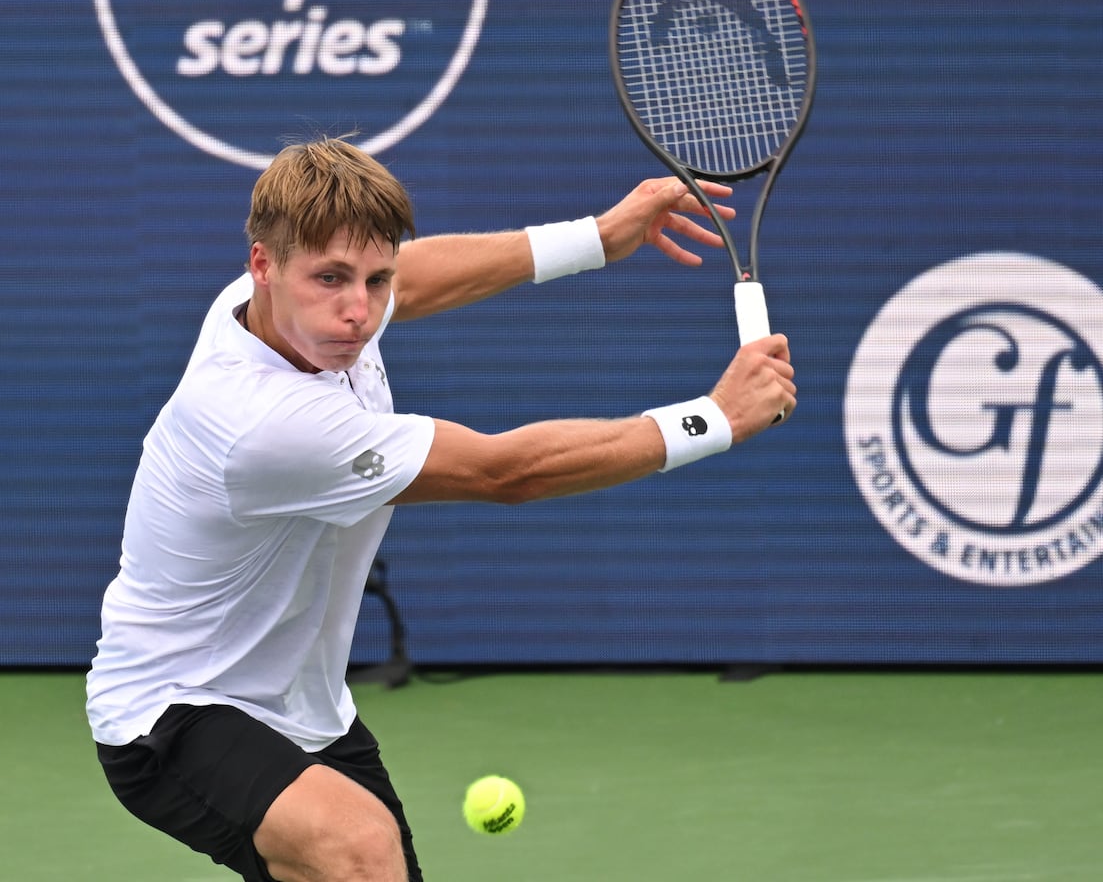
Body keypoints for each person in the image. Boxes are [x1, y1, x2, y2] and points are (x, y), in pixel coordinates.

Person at [86, 135, 796, 882]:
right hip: (172, 711)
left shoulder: (276, 310)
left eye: (373, 280)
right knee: (359, 850)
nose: (358, 312)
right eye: (330, 279)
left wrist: (594, 237)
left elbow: (414, 278)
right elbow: (506, 472)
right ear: (261, 266)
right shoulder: (264, 423)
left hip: (301, 705)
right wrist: (714, 418)